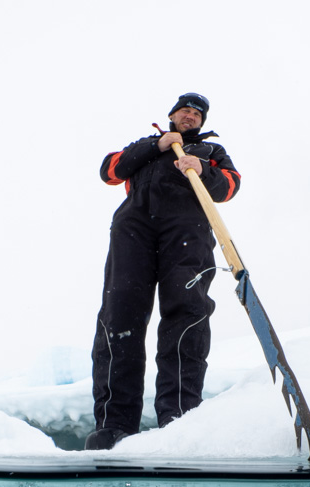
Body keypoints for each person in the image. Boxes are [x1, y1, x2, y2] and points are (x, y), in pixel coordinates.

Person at [85, 93, 241, 450]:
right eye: (186, 110)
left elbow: (230, 187)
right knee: (119, 316)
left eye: (197, 114)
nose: (191, 116)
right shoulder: (147, 145)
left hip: (187, 232)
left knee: (186, 313)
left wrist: (203, 169)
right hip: (133, 230)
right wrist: (156, 146)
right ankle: (114, 425)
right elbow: (110, 170)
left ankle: (179, 420)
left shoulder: (211, 153)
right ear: (172, 115)